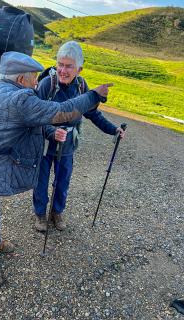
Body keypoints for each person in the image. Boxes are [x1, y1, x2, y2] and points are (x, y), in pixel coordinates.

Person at [0, 51, 112, 288]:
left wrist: (51, 132)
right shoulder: (21, 98)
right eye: (34, 77)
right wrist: (94, 95)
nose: (37, 82)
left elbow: (23, 123)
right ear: (21, 80)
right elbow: (61, 111)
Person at [33, 41, 125, 232]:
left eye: (68, 66)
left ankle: (57, 212)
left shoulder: (82, 86)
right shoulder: (46, 85)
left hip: (67, 144)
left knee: (63, 179)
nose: (62, 70)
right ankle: (40, 214)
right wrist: (51, 131)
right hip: (44, 143)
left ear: (79, 69)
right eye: (60, 64)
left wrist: (113, 129)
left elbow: (93, 113)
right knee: (40, 180)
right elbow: (35, 117)